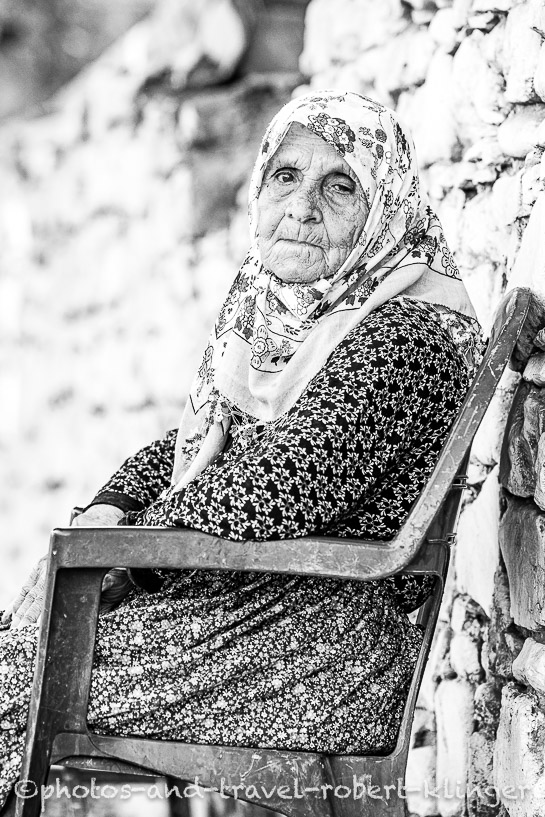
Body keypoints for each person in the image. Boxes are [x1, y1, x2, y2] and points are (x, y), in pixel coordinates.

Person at [0, 90, 483, 811]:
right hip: (254, 611)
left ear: (384, 206)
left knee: (12, 678)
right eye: (285, 176)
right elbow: (200, 439)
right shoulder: (298, 325)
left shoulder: (401, 336)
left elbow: (280, 483)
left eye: (339, 184)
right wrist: (116, 500)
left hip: (314, 650)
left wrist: (120, 547)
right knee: (16, 656)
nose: (301, 206)